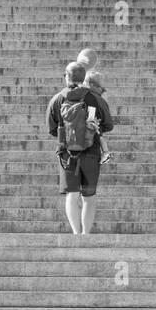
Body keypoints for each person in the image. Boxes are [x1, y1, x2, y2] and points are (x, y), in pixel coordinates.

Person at [47, 62, 114, 234]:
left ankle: (76, 233)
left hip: (67, 153)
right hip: (91, 151)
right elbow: (108, 124)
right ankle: (86, 234)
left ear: (67, 77)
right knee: (89, 196)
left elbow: (51, 128)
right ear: (83, 78)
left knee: (72, 195)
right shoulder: (96, 99)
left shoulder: (58, 99)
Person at [82, 70, 114, 164]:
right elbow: (109, 125)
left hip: (70, 146)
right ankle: (106, 153)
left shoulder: (73, 95)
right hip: (92, 147)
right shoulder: (100, 100)